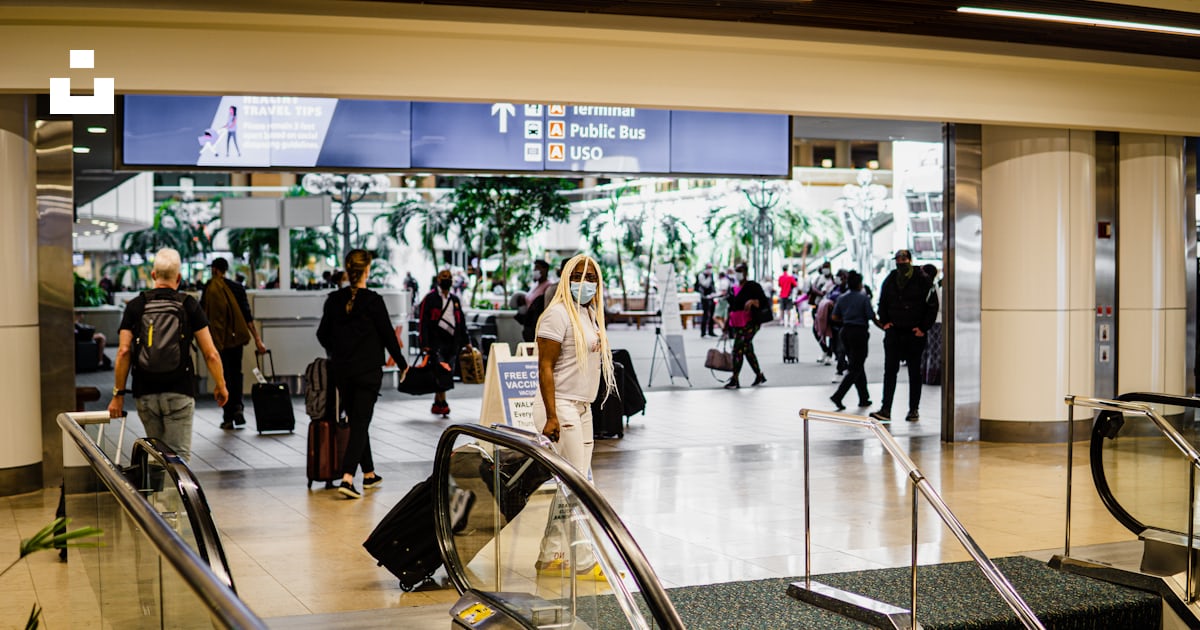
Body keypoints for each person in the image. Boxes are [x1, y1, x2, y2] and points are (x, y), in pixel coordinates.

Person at [533, 254, 617, 580]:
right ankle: (582, 560)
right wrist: (552, 416)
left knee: (571, 482)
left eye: (592, 276)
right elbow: (544, 367)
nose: (586, 282)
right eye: (578, 275)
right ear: (566, 278)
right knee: (579, 485)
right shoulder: (556, 315)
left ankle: (548, 556)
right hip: (561, 406)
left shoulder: (589, 313)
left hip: (582, 406)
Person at [108, 248, 228, 462]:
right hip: (180, 391)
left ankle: (155, 496)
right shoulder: (189, 304)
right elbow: (211, 354)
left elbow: (124, 351)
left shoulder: (136, 306)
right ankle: (170, 497)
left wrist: (118, 395)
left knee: (155, 457)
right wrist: (220, 384)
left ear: (153, 275)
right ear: (179, 278)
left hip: (144, 392)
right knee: (177, 460)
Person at [317, 250, 408, 499]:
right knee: (361, 421)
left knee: (358, 419)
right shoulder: (373, 301)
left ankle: (368, 474)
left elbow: (322, 334)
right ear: (367, 270)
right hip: (367, 371)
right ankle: (347, 478)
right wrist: (402, 364)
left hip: (342, 371)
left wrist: (337, 352)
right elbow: (389, 336)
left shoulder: (334, 300)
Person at [871, 250, 939, 423]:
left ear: (910, 260)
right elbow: (882, 302)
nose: (901, 263)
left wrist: (923, 328)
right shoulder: (891, 279)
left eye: (904, 259)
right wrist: (885, 322)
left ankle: (913, 409)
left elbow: (932, 306)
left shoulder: (922, 280)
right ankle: (886, 409)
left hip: (914, 334)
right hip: (894, 332)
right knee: (890, 372)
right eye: (898, 260)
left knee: (914, 372)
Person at [201, 257, 268, 430]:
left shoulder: (209, 288)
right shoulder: (237, 288)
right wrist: (258, 341)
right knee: (236, 373)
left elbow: (202, 316)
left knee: (223, 376)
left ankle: (228, 416)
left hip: (218, 341)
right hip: (236, 340)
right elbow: (247, 316)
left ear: (215, 270)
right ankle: (238, 407)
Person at [418, 269, 469, 416]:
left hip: (453, 343)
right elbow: (423, 322)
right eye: (444, 277)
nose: (447, 279)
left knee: (448, 371)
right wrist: (424, 343)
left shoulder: (455, 300)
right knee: (441, 371)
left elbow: (461, 322)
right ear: (438, 279)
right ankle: (443, 403)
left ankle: (436, 402)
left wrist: (466, 342)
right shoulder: (430, 299)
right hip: (436, 341)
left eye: (449, 277)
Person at [829, 271, 876, 411]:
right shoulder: (863, 298)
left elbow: (835, 317)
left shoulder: (842, 298)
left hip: (846, 332)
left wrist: (847, 319)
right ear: (860, 284)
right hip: (859, 332)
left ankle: (864, 397)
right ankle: (838, 395)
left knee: (857, 363)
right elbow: (871, 316)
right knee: (856, 367)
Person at [722, 262, 769, 389]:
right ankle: (759, 375)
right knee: (747, 349)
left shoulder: (753, 286)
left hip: (751, 323)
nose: (738, 274)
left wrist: (753, 301)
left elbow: (764, 302)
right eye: (736, 271)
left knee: (738, 349)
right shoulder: (733, 289)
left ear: (746, 273)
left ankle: (735, 378)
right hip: (737, 323)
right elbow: (731, 308)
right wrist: (726, 324)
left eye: (740, 271)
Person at [694, 263, 717, 337]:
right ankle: (703, 332)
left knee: (712, 314)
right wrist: (709, 277)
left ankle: (711, 331)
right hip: (704, 297)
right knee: (706, 314)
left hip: (711, 297)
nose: (710, 269)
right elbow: (705, 285)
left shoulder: (711, 275)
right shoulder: (701, 275)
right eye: (709, 267)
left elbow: (712, 285)